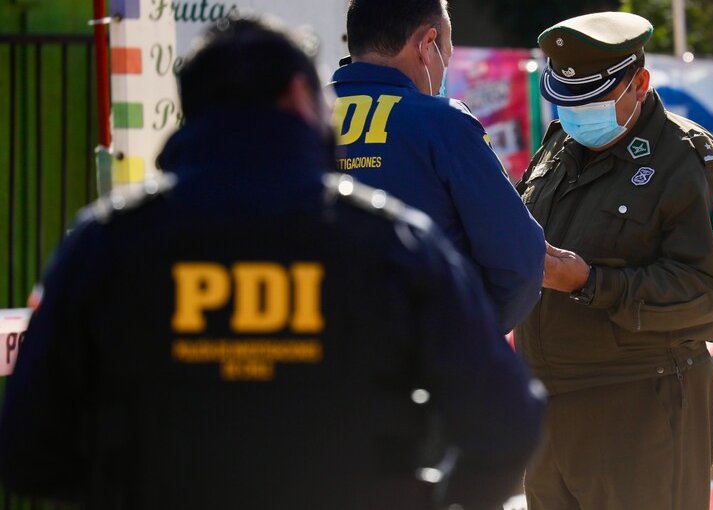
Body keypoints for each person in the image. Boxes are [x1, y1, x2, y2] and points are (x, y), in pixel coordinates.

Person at [0, 17, 544, 510]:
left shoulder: (106, 244)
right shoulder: (393, 244)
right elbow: (509, 423)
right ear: (297, 96)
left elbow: (27, 449)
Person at [514, 11, 713, 510]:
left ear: (639, 83)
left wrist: (591, 282)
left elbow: (705, 296)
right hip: (549, 417)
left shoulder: (689, 161)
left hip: (640, 411)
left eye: (593, 99)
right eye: (567, 101)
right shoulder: (559, 149)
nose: (577, 115)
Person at [329, 0, 545, 333]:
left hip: (311, 362)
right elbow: (518, 263)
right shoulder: (445, 123)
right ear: (427, 44)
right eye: (447, 53)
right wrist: (468, 336)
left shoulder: (292, 121)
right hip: (416, 362)